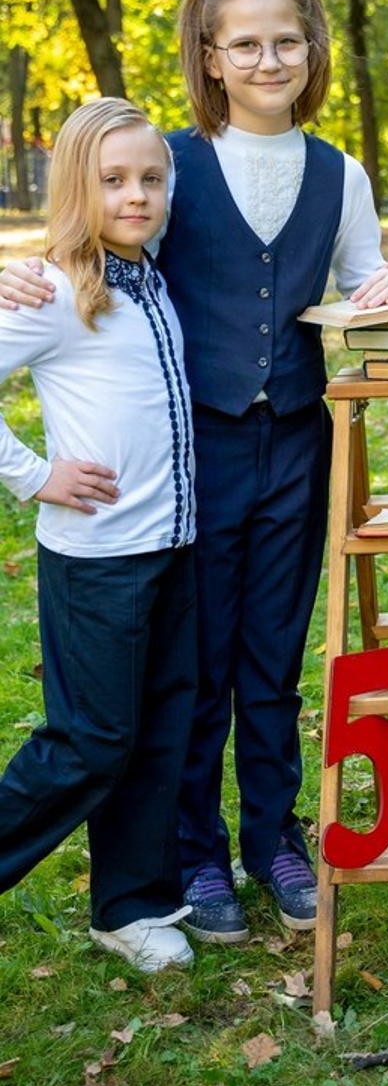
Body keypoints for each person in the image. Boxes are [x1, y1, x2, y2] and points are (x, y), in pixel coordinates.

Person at [0, 0, 388, 944]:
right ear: (210, 57)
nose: (268, 58)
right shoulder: (171, 164)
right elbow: (98, 234)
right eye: (246, 43)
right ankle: (193, 849)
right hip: (192, 457)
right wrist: (25, 272)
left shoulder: (340, 173)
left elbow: (359, 291)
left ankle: (274, 835)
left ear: (311, 52)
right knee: (193, 666)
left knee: (271, 656)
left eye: (287, 41)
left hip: (298, 447)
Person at [0, 98, 198, 973]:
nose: (136, 195)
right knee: (90, 740)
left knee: (160, 729)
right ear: (78, 187)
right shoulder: (51, 291)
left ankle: (133, 905)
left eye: (151, 178)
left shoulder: (151, 272)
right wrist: (35, 475)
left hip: (173, 545)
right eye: (113, 180)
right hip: (97, 560)